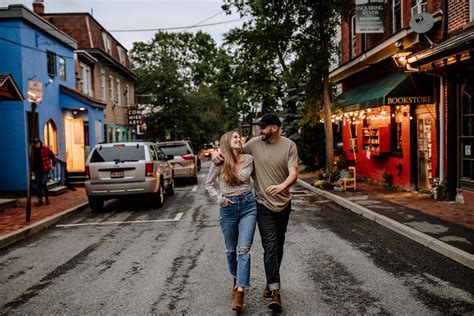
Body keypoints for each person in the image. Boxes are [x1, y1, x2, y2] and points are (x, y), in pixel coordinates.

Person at [213, 113, 298, 312]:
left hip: (284, 202)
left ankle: (269, 284)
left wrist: (282, 186)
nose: (261, 130)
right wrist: (216, 154)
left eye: (264, 127)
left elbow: (294, 172)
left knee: (278, 246)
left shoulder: (289, 145)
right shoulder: (253, 144)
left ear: (274, 128)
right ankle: (276, 291)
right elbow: (231, 149)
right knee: (269, 244)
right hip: (260, 203)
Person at [205, 131, 257, 312]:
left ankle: (240, 292)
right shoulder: (220, 161)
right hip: (228, 208)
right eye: (234, 137)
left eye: (239, 137)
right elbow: (209, 184)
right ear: (227, 142)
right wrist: (220, 199)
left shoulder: (249, 159)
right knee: (230, 250)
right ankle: (235, 277)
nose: (238, 139)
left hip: (249, 206)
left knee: (244, 250)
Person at [31, 138, 56, 206]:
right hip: (36, 169)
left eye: (38, 143)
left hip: (45, 169)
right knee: (38, 184)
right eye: (36, 143)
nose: (37, 144)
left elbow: (53, 156)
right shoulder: (32, 150)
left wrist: (53, 165)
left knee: (43, 183)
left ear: (40, 142)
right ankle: (40, 200)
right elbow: (31, 160)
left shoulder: (45, 149)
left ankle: (47, 197)